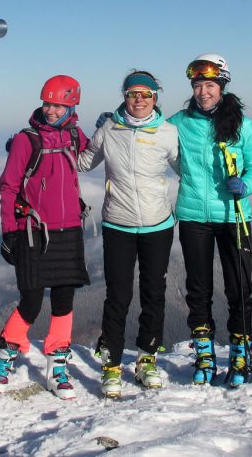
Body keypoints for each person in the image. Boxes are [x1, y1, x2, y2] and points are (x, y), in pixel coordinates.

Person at [78, 71, 179, 398]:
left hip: (158, 224)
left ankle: (147, 359)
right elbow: (81, 163)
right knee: (117, 295)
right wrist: (41, 143)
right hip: (118, 224)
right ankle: (111, 365)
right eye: (133, 93)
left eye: (146, 94)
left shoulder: (168, 133)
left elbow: (188, 168)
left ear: (155, 98)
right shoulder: (109, 129)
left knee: (154, 291)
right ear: (124, 96)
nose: (139, 99)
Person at [169, 54, 252, 387]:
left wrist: (247, 184)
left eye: (209, 85)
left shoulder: (242, 124)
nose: (203, 91)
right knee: (199, 289)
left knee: (239, 286)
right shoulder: (180, 122)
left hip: (234, 214)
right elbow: (152, 135)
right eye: (198, 85)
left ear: (221, 86)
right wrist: (117, 123)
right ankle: (205, 353)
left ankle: (241, 351)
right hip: (194, 215)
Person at [0, 74, 91, 400]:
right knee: (31, 299)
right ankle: (5, 354)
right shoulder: (27, 140)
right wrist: (10, 231)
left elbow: (96, 156)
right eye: (47, 103)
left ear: (71, 105)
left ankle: (57, 365)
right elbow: (8, 186)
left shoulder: (75, 136)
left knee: (64, 300)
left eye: (58, 104)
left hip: (69, 229)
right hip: (34, 232)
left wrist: (111, 126)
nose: (50, 110)